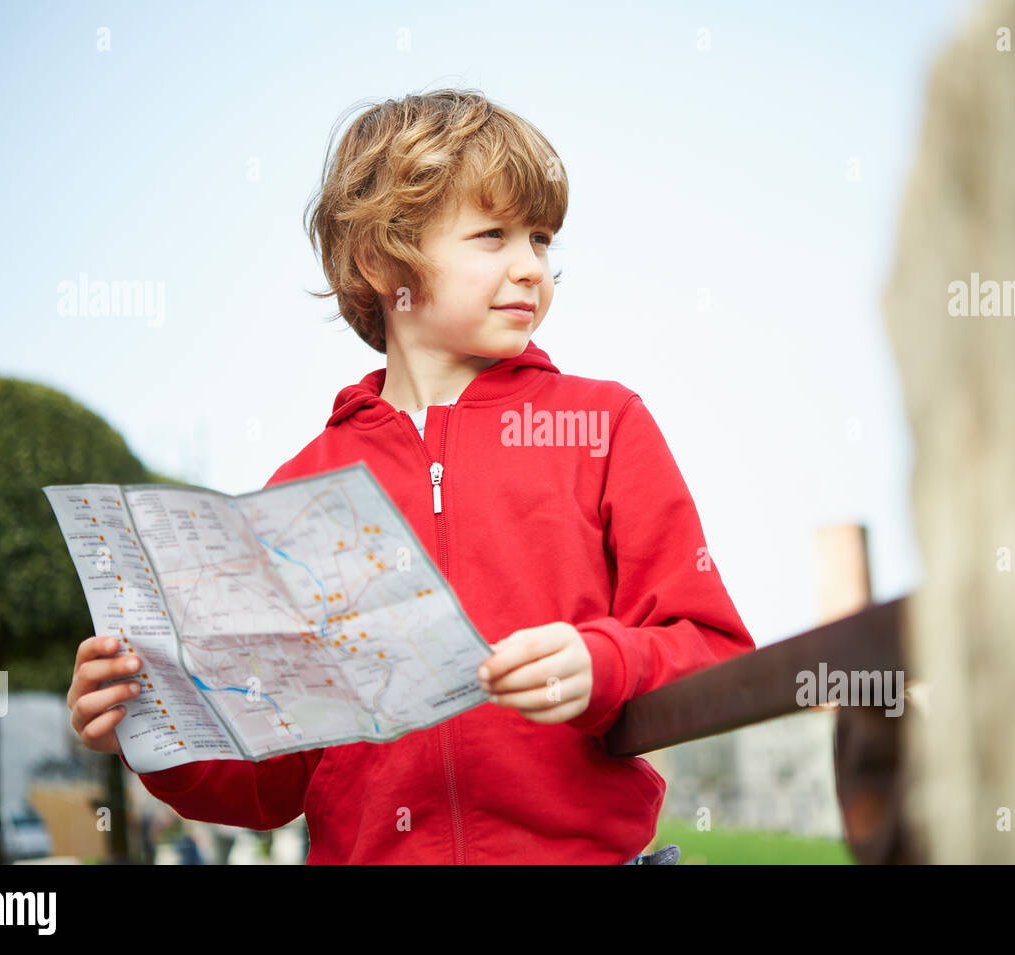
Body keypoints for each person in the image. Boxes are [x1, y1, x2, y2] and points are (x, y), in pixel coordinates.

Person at [66, 89, 754, 864]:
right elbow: (274, 781)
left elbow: (716, 651)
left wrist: (606, 663)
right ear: (381, 260)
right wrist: (149, 724)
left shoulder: (606, 423)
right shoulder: (301, 485)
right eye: (493, 235)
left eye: (542, 238)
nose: (532, 266)